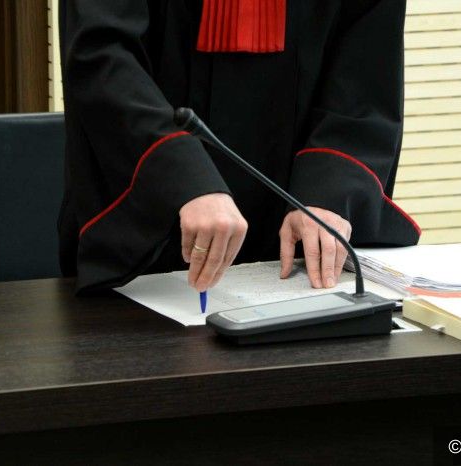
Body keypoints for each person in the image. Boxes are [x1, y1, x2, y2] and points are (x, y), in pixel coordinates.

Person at [58, 0, 421, 294]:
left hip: (295, 236)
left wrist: (331, 191)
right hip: (155, 229)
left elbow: (365, 67)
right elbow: (101, 53)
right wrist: (180, 175)